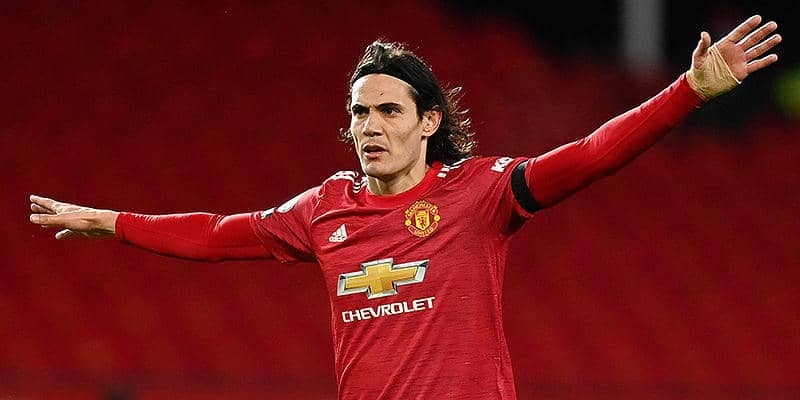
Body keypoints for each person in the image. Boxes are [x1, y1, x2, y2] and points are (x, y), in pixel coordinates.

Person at [29, 15, 780, 400]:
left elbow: (588, 155)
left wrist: (687, 92)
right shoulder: (323, 210)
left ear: (427, 123)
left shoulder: (479, 192)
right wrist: (111, 223)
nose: (370, 126)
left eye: (388, 111)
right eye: (359, 113)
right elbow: (222, 235)